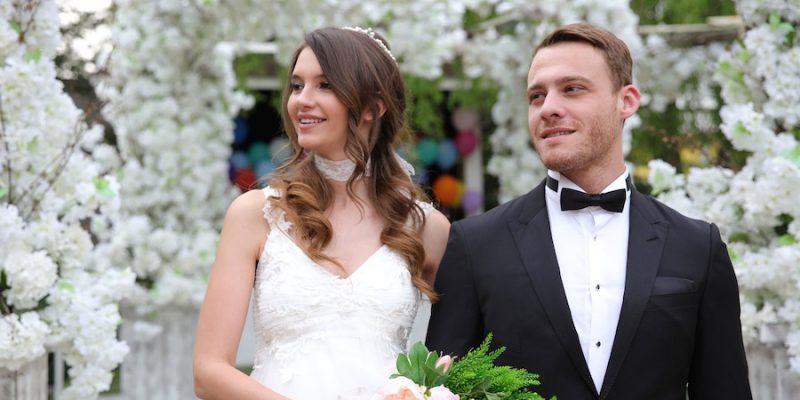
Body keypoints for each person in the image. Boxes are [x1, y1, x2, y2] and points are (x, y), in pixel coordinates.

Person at [426, 22, 752, 400]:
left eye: (572, 89)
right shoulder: (474, 246)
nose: (549, 108)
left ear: (626, 101)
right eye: (536, 96)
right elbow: (442, 389)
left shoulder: (698, 246)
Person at [193, 26, 450, 399]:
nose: (302, 100)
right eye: (297, 86)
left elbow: (464, 359)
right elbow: (208, 371)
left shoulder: (427, 228)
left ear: (374, 106)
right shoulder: (256, 214)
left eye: (325, 85)